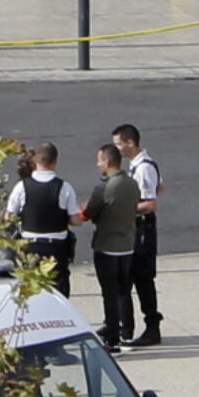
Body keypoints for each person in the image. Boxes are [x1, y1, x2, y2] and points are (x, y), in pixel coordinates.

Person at [5, 143, 84, 297]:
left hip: (30, 247)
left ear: (35, 161)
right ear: (55, 161)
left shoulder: (21, 187)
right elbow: (76, 221)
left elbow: (8, 217)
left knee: (31, 292)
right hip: (56, 249)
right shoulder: (64, 187)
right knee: (58, 293)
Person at [83, 144, 139, 353]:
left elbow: (89, 213)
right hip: (127, 246)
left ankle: (113, 338)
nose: (98, 164)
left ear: (107, 161)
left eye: (99, 160)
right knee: (124, 291)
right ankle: (127, 331)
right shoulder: (132, 184)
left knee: (109, 293)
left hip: (107, 246)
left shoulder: (104, 188)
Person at [111, 123, 163, 347]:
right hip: (133, 227)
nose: (117, 150)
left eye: (119, 144)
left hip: (142, 229)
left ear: (130, 143)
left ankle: (151, 327)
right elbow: (160, 187)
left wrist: (126, 207)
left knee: (141, 279)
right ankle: (125, 326)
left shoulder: (144, 168)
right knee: (126, 278)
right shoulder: (136, 166)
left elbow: (151, 203)